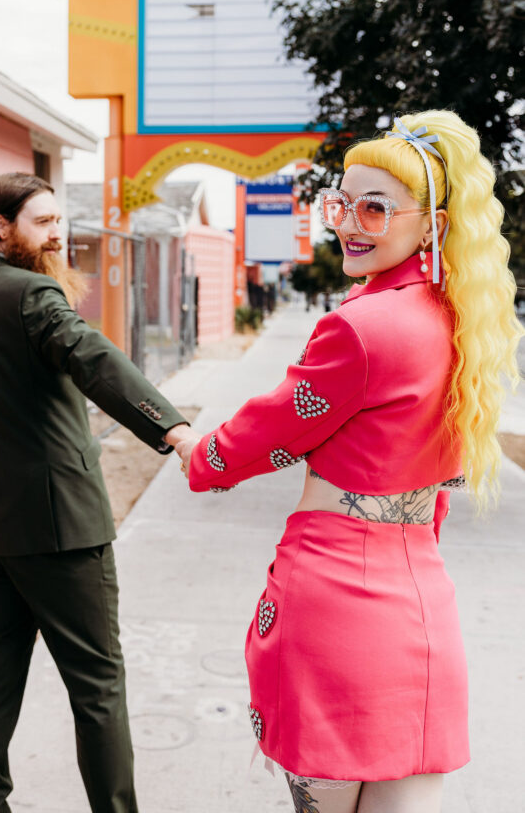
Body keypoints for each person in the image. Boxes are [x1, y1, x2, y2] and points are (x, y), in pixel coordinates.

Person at [176, 112, 521, 813]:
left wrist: (196, 452)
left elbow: (274, 426)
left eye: (375, 207)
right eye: (341, 203)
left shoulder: (362, 328)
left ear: (430, 224)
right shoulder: (465, 324)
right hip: (423, 611)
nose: (348, 224)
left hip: (336, 607)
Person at [0, 172, 197, 813]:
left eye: (58, 221)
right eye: (42, 223)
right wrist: (174, 429)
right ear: (1, 225)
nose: (56, 234)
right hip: (62, 529)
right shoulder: (32, 294)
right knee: (97, 685)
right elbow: (92, 356)